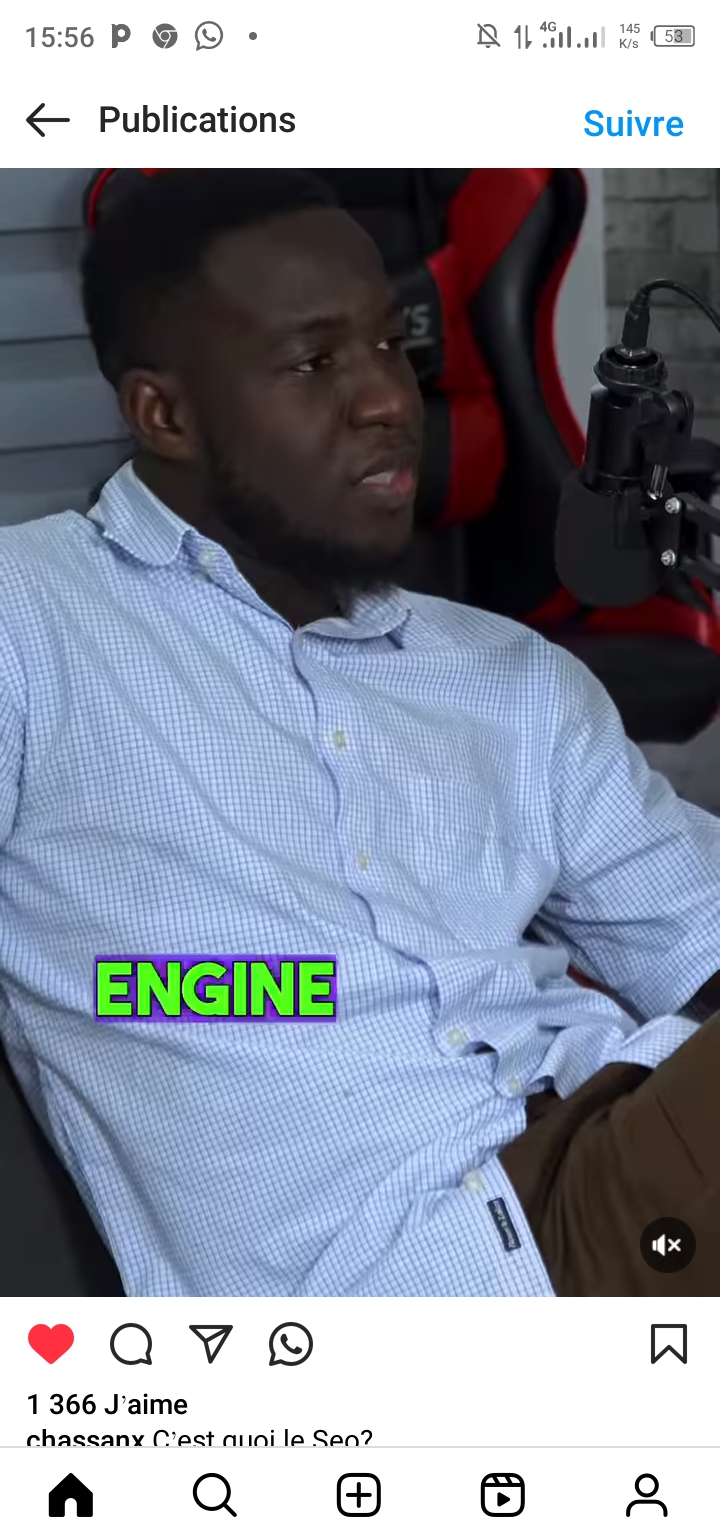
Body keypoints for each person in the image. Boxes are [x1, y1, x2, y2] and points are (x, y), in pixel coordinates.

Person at [0, 166, 719, 1299]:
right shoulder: (31, 623)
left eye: (392, 345)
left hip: (621, 1149)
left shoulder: (508, 676)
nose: (389, 398)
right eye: (315, 361)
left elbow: (699, 935)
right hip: (435, 1275)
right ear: (165, 414)